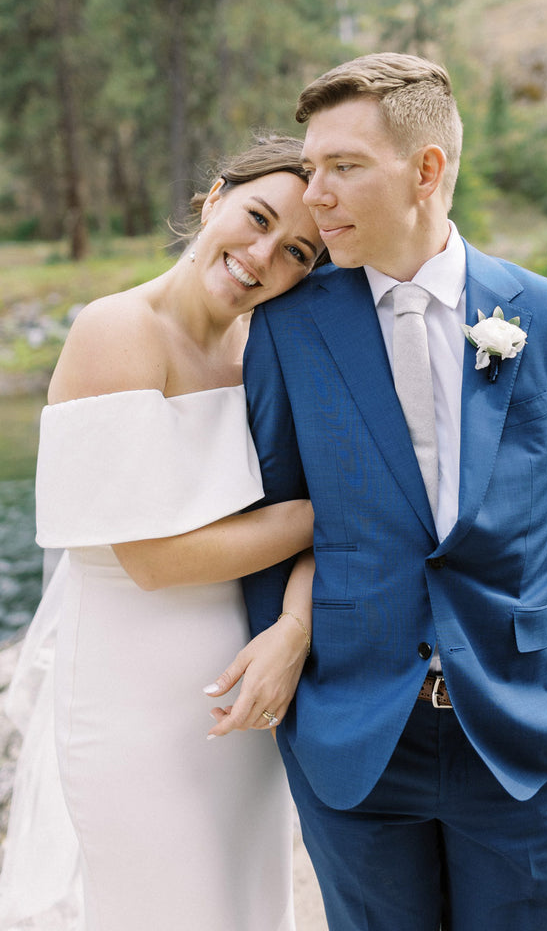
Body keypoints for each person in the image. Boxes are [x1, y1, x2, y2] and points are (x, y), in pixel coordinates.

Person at [208, 55, 547, 930]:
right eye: (312, 165)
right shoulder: (287, 328)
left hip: (518, 735)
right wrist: (299, 679)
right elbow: (273, 517)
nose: (313, 194)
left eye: (343, 167)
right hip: (352, 735)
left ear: (427, 170)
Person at [0, 136, 326, 931]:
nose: (260, 257)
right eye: (255, 218)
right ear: (212, 198)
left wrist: (293, 625)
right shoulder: (119, 330)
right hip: (130, 687)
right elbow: (150, 559)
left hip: (240, 681)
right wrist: (329, 514)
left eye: (295, 253)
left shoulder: (263, 349)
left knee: (240, 902)